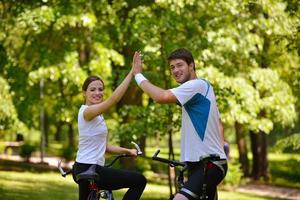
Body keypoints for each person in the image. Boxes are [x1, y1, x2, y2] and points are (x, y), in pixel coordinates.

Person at [132, 48, 227, 200]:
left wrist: (137, 75)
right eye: (172, 67)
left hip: (209, 165)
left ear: (191, 66)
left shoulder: (197, 85)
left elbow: (161, 97)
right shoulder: (200, 90)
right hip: (201, 164)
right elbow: (219, 123)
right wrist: (220, 150)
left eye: (179, 65)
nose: (175, 70)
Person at [72, 64, 147, 200]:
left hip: (85, 167)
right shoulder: (87, 111)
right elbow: (113, 100)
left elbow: (104, 147)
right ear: (84, 93)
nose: (97, 93)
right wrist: (131, 73)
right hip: (90, 168)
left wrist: (127, 151)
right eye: (92, 89)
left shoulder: (97, 116)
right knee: (139, 181)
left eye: (100, 89)